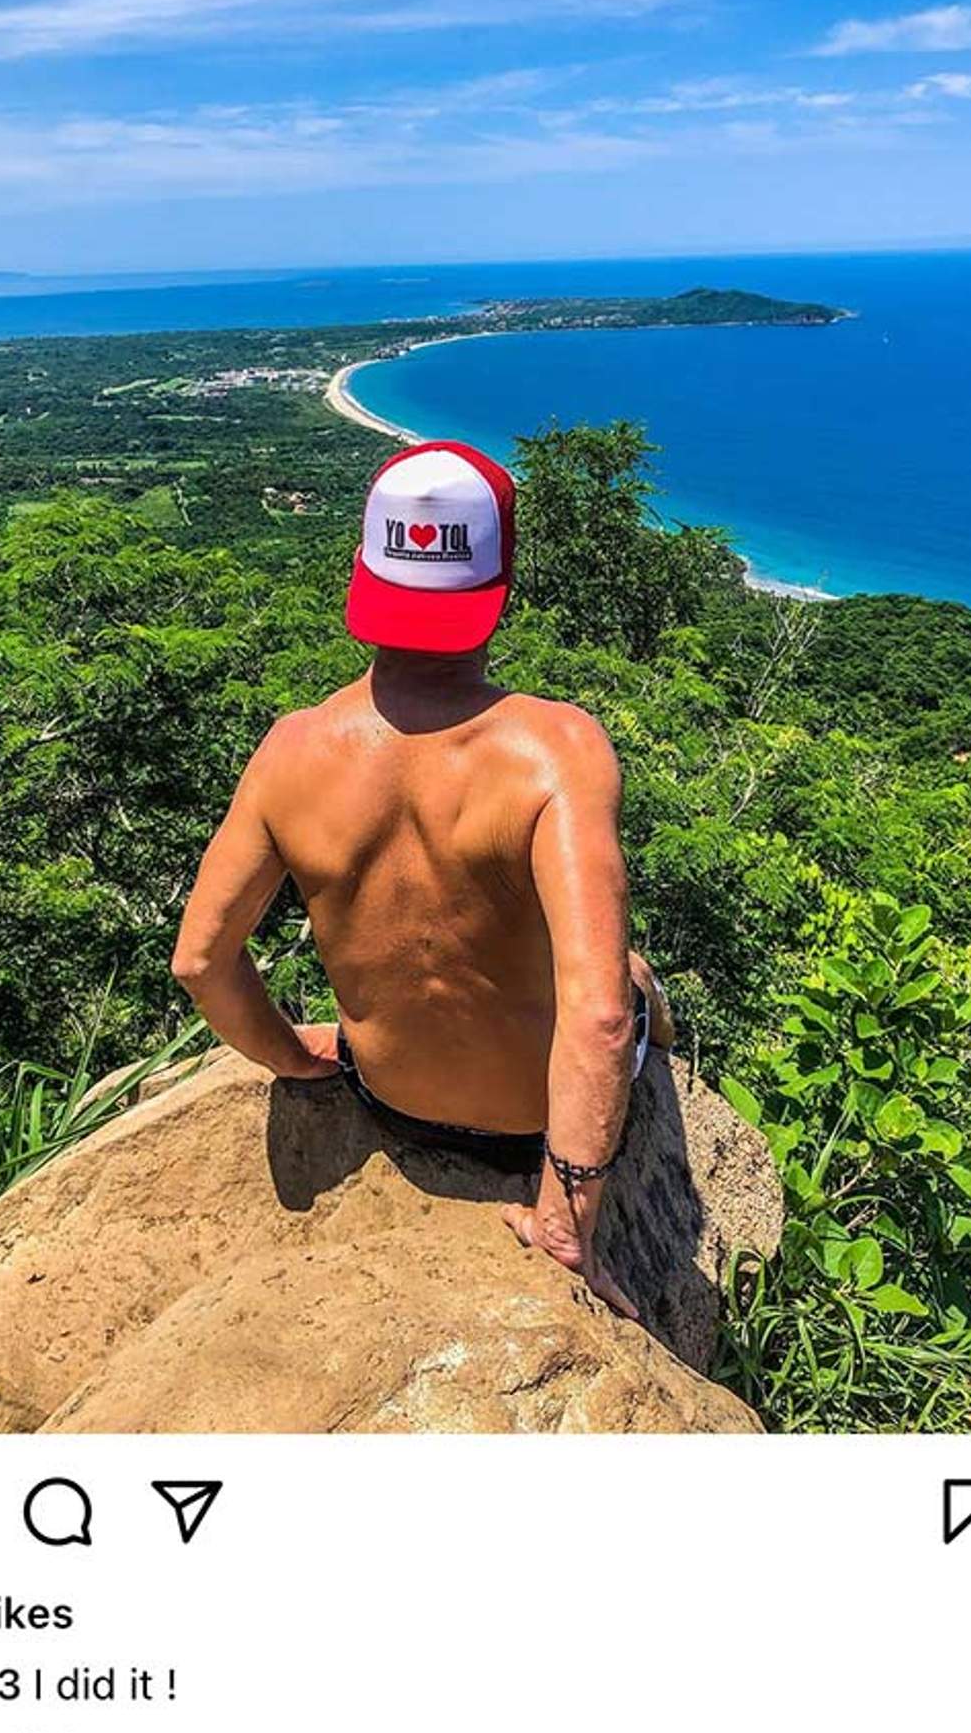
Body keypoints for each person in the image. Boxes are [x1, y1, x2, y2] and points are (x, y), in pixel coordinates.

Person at [172, 440, 673, 1317]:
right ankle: (664, 1017)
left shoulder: (292, 750)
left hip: (391, 1103)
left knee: (618, 982)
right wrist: (566, 1219)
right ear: (499, 586)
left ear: (363, 573)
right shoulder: (557, 751)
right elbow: (595, 1018)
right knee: (628, 980)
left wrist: (294, 1057)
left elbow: (200, 959)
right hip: (533, 1130)